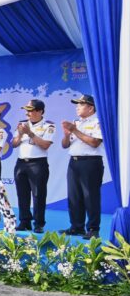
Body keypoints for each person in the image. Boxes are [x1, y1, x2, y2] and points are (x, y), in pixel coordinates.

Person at [61, 94, 104, 239]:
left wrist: (74, 130)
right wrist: (67, 134)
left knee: (90, 196)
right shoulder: (76, 122)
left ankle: (93, 229)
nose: (77, 107)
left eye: (81, 104)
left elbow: (94, 143)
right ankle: (76, 226)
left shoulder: (99, 121)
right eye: (76, 104)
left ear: (91, 108)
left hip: (90, 163)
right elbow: (65, 145)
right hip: (74, 162)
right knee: (74, 196)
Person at [11, 99, 55, 233]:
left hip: (38, 163)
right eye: (26, 110)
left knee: (38, 194)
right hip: (21, 163)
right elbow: (14, 144)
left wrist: (30, 133)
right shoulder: (22, 125)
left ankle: (38, 223)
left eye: (30, 110)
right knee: (22, 194)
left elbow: (45, 145)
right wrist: (20, 133)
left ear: (40, 111)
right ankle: (24, 221)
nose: (27, 113)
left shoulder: (48, 126)